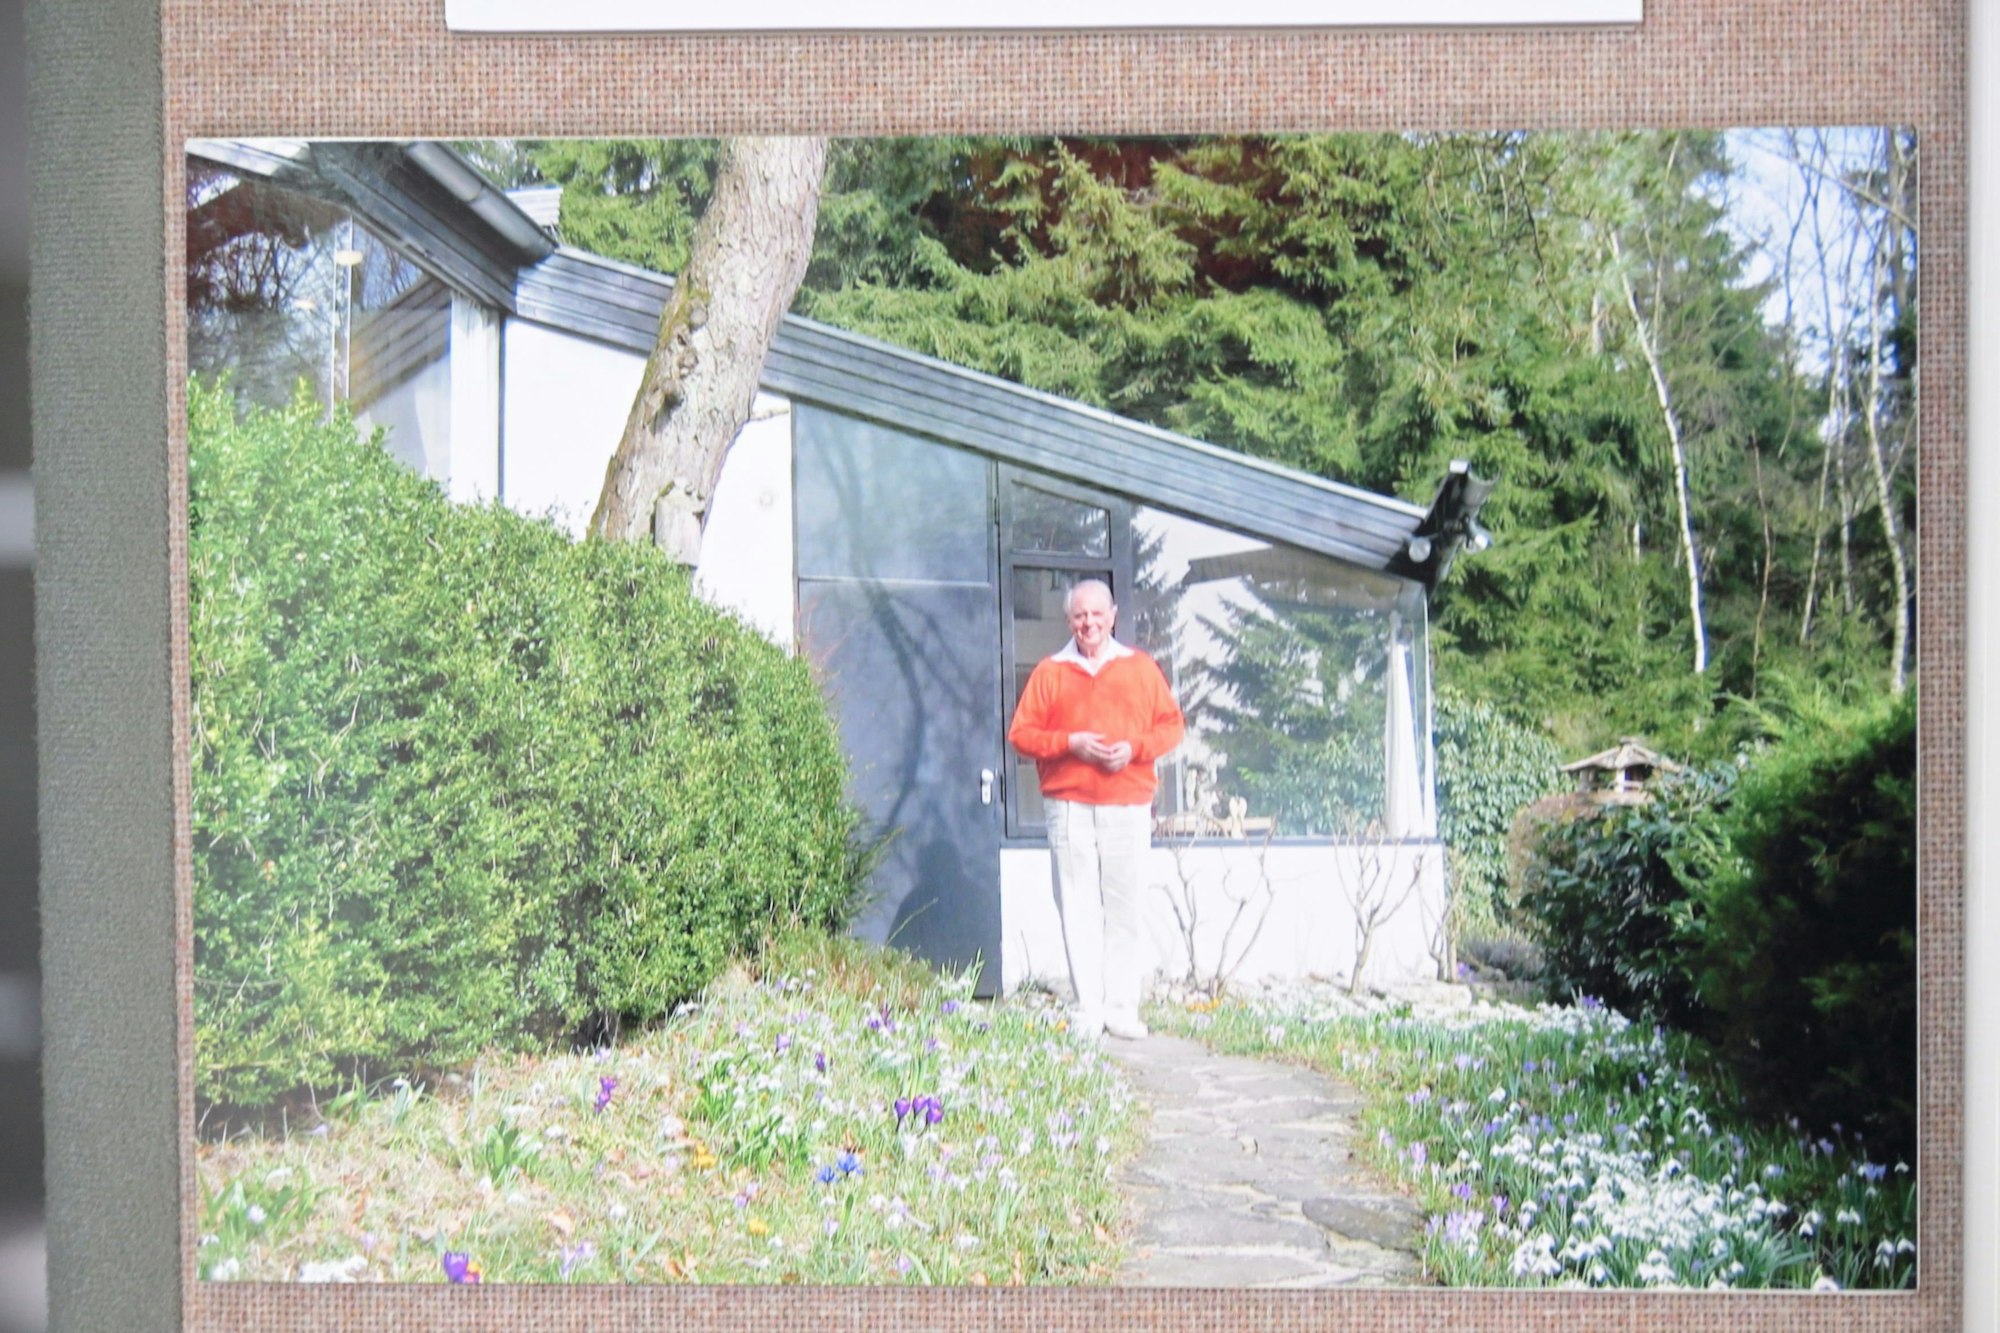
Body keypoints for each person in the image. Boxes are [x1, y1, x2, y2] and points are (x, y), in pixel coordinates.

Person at [1007, 578, 1184, 1040]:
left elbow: (1172, 727)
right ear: (1070, 620)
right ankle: (1088, 1008)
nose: (1089, 623)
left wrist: (1135, 749)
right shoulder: (1050, 671)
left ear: (1113, 615)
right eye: (1080, 616)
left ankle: (1123, 1009)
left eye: (1097, 614)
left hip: (1128, 804)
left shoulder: (1140, 668)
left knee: (1125, 910)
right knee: (1078, 908)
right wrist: (1070, 744)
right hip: (1068, 806)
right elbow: (1021, 735)